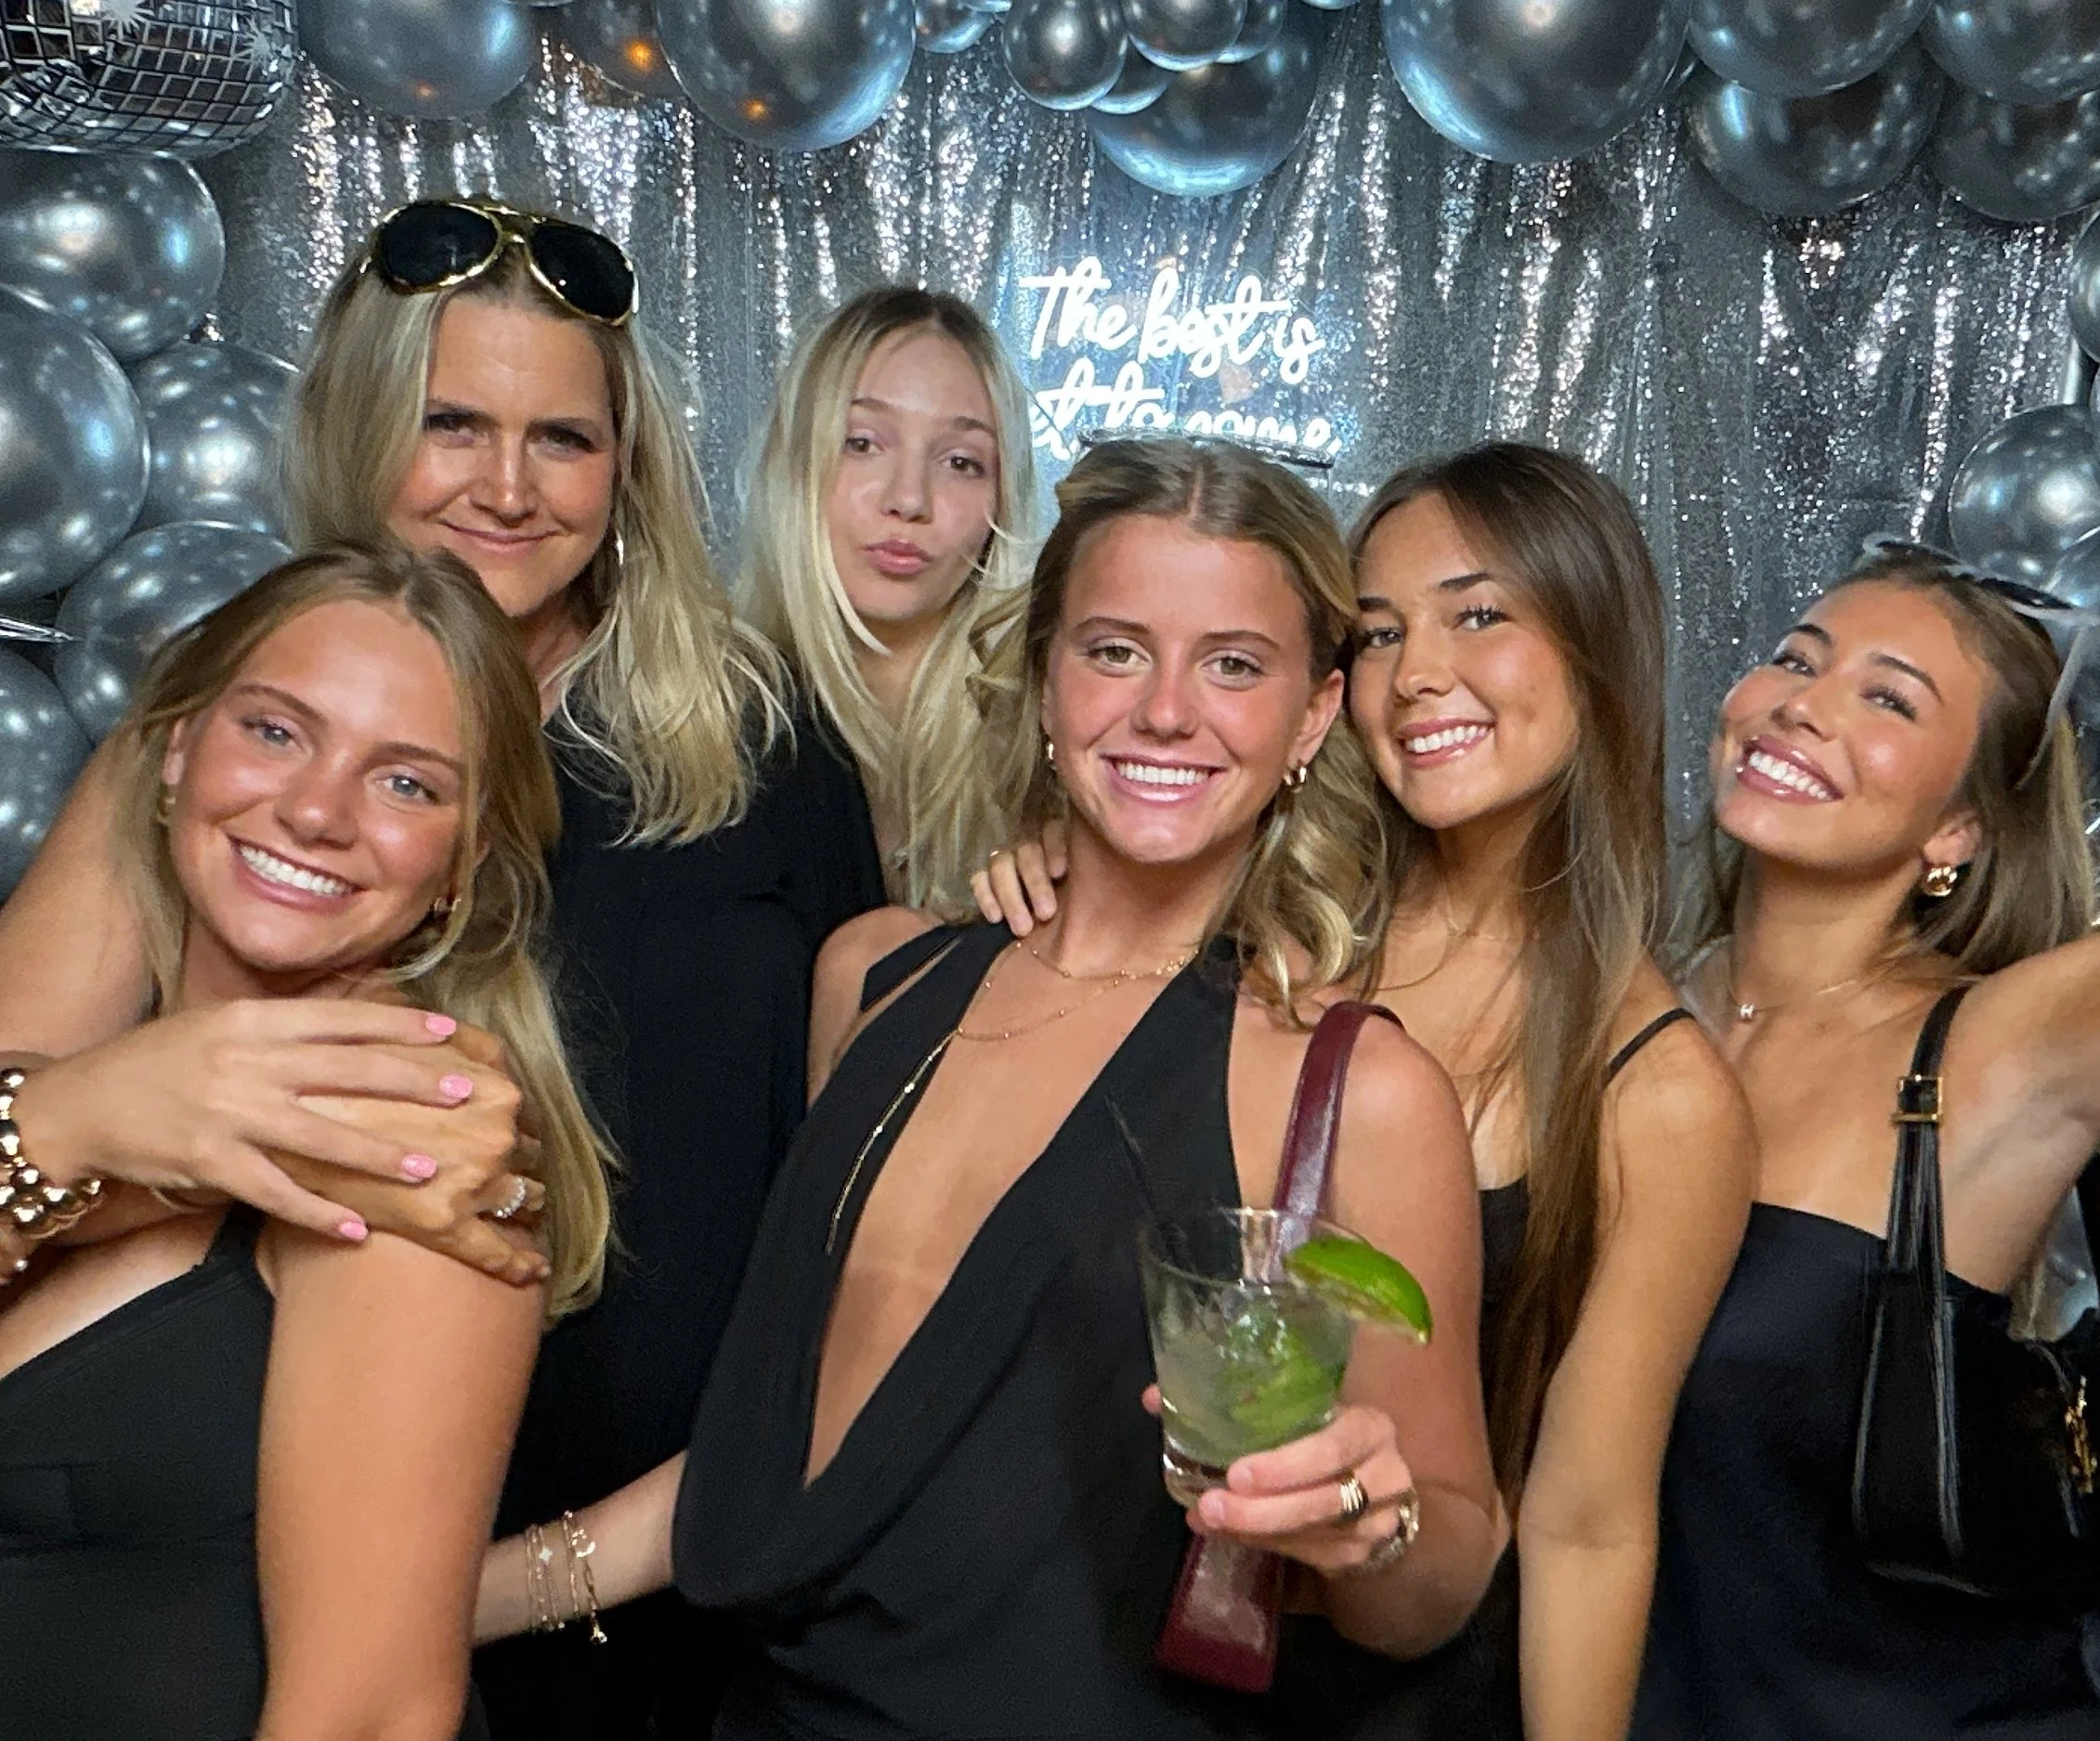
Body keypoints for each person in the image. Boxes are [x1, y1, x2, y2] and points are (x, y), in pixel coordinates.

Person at [0, 198, 887, 1741]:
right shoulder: (217, 736)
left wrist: (558, 1573)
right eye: (451, 423)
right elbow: (30, 1079)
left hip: (654, 1587)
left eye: (563, 438)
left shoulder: (768, 750)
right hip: (228, 1543)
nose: (505, 487)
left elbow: (854, 1229)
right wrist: (106, 1105)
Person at [478, 436, 1505, 1737]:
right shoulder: (876, 982)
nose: (1166, 709)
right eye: (1115, 648)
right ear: (1043, 679)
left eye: (1234, 663)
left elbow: (1443, 1576)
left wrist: (1368, 1519)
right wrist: (443, 1597)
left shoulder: (1350, 1087)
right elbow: (773, 1461)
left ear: (1313, 713)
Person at [978, 444, 1755, 1740]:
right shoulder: (1278, 915)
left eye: (1479, 613)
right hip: (1102, 1639)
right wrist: (1054, 863)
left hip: (1391, 1686)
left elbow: (1586, 1517)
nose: (1419, 675)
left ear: (1598, 638)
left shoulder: (1657, 1092)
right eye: (1381, 631)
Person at [1630, 541, 2100, 1739]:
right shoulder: (1636, 1006)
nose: (1803, 705)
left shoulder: (2002, 1047)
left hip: (1999, 1717)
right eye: (1793, 660)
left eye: (1885, 698)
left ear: (1959, 828)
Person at [0, 544, 614, 1740]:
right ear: (171, 753)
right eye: (276, 732)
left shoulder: (417, 1141)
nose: (318, 811)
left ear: (459, 866)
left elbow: (373, 1715)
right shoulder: (88, 1090)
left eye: (407, 786)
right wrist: (77, 1123)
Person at [737, 285, 1037, 906]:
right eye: (862, 443)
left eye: (960, 461)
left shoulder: (1049, 746)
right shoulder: (704, 724)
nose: (908, 498)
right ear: (796, 460)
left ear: (1001, 497)